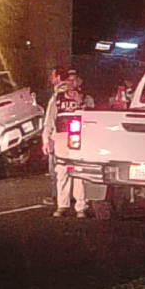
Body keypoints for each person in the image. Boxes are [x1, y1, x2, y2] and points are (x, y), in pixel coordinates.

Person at [42, 66, 89, 218]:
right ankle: (62, 205)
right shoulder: (57, 98)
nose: (71, 83)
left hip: (80, 140)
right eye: (69, 80)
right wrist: (46, 140)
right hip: (61, 137)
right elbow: (49, 120)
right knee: (62, 172)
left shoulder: (86, 98)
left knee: (78, 172)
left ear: (79, 82)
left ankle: (80, 206)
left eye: (74, 80)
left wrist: (81, 103)